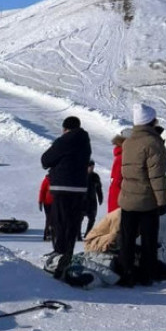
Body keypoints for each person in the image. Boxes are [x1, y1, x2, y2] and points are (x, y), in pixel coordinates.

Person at [116, 104, 166, 287]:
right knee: (148, 240)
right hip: (147, 200)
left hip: (127, 198)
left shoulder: (128, 141)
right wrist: (162, 201)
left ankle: (126, 273)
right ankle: (146, 274)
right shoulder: (153, 143)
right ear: (151, 121)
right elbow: (157, 176)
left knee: (127, 238)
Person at [41, 116, 92, 280]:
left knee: (59, 222)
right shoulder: (85, 141)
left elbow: (46, 159)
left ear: (65, 128)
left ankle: (59, 255)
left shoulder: (64, 140)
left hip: (62, 187)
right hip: (80, 188)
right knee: (72, 223)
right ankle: (67, 254)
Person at [108, 130, 130, 213]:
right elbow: (118, 182)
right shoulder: (123, 158)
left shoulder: (120, 157)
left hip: (117, 199)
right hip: (120, 201)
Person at [81, 160, 104, 238]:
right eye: (90, 167)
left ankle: (87, 233)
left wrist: (100, 197)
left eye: (93, 167)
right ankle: (77, 235)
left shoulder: (95, 176)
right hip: (82, 201)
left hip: (92, 201)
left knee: (92, 218)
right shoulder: (81, 175)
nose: (92, 168)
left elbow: (99, 188)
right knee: (79, 219)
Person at [39, 174, 54, 242]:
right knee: (49, 218)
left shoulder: (57, 179)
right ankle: (47, 234)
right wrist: (40, 201)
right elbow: (42, 191)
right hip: (47, 202)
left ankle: (53, 233)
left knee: (55, 219)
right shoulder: (46, 180)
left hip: (55, 203)